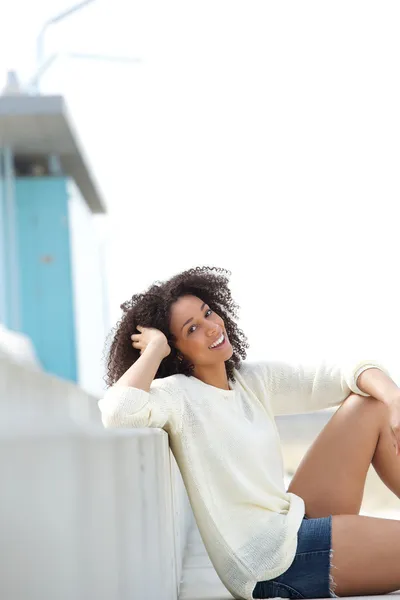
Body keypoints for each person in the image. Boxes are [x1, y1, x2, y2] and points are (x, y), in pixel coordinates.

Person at [98, 265, 400, 600]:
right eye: (193, 328)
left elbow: (345, 372)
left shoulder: (249, 381)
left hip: (292, 521)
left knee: (371, 403)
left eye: (208, 313)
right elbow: (118, 411)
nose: (212, 328)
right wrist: (154, 348)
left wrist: (395, 399)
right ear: (176, 349)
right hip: (272, 562)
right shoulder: (177, 395)